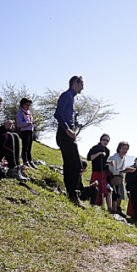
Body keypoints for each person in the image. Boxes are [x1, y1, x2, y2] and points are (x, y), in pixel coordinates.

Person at [54, 75, 85, 204]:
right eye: (81, 84)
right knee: (76, 164)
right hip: (64, 133)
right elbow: (57, 113)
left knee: (69, 164)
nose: (83, 87)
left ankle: (71, 193)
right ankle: (73, 194)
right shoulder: (66, 95)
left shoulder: (71, 97)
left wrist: (75, 124)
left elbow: (66, 114)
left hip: (66, 132)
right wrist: (67, 129)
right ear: (75, 83)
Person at [86, 134, 111, 207]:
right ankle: (92, 203)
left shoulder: (107, 150)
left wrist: (109, 163)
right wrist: (99, 153)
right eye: (104, 140)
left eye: (107, 140)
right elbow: (89, 158)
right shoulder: (95, 148)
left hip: (103, 172)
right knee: (95, 187)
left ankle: (99, 205)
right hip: (96, 172)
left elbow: (104, 162)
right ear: (100, 140)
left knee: (103, 189)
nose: (105, 142)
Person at [107, 141, 132, 213]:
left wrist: (124, 171)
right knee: (114, 193)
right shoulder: (114, 158)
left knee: (120, 193)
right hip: (112, 177)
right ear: (119, 148)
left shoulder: (123, 158)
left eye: (126, 149)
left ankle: (117, 208)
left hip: (119, 177)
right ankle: (113, 209)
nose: (125, 150)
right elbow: (113, 171)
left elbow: (122, 168)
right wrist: (124, 171)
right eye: (123, 148)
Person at [17, 97, 36, 168]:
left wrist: (33, 122)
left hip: (30, 131)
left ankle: (30, 160)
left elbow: (31, 121)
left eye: (29, 105)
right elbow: (19, 124)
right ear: (22, 105)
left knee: (29, 147)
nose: (28, 107)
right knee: (25, 147)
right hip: (24, 131)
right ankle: (25, 161)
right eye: (27, 105)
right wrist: (28, 123)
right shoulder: (20, 113)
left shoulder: (29, 113)